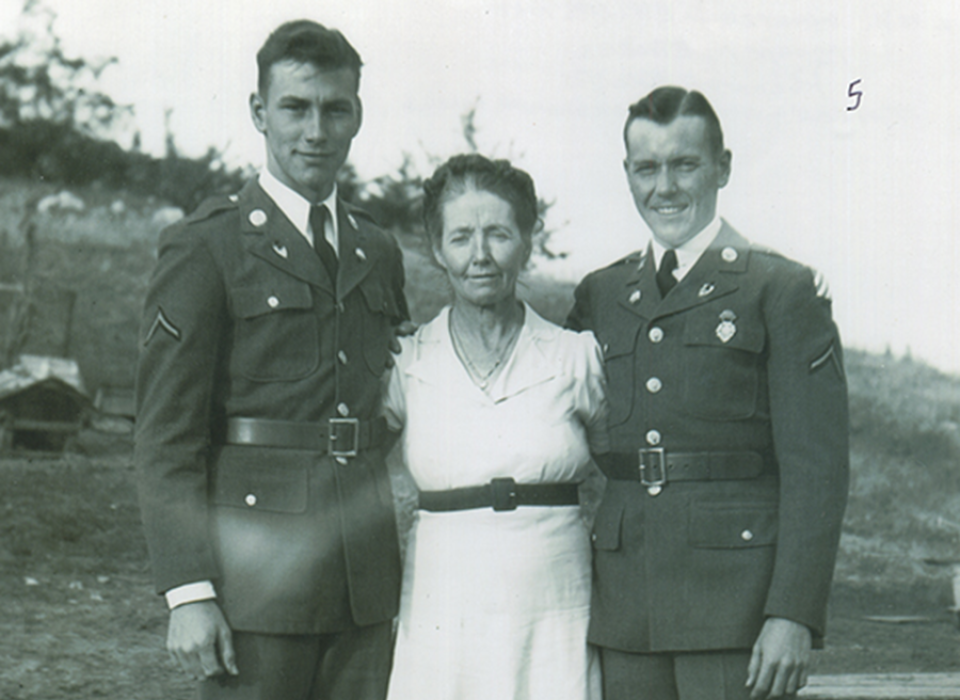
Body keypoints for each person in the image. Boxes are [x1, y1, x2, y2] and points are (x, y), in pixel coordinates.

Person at [134, 20, 407, 700]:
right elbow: (166, 435)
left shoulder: (378, 250)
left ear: (357, 116)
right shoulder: (207, 245)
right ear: (260, 112)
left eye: (334, 109)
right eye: (295, 107)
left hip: (363, 579)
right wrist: (188, 590)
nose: (316, 130)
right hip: (255, 582)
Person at [566, 86, 849, 700]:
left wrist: (793, 613)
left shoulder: (779, 288)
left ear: (722, 166)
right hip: (626, 607)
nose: (664, 186)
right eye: (647, 168)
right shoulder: (602, 295)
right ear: (627, 175)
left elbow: (817, 468)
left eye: (685, 164)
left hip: (735, 608)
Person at [382, 154, 607, 700]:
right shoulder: (408, 361)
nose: (480, 255)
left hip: (554, 604)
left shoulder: (574, 356)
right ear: (437, 249)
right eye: (461, 237)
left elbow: (628, 476)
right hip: (442, 603)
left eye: (499, 234)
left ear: (527, 241)